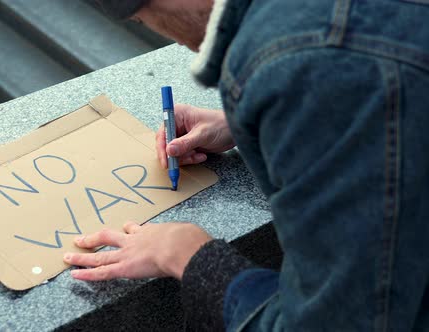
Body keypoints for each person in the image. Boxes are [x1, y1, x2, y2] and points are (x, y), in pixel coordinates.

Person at [63, 0, 429, 330]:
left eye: (145, 20)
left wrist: (188, 255)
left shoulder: (304, 67)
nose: (172, 41)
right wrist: (246, 122)